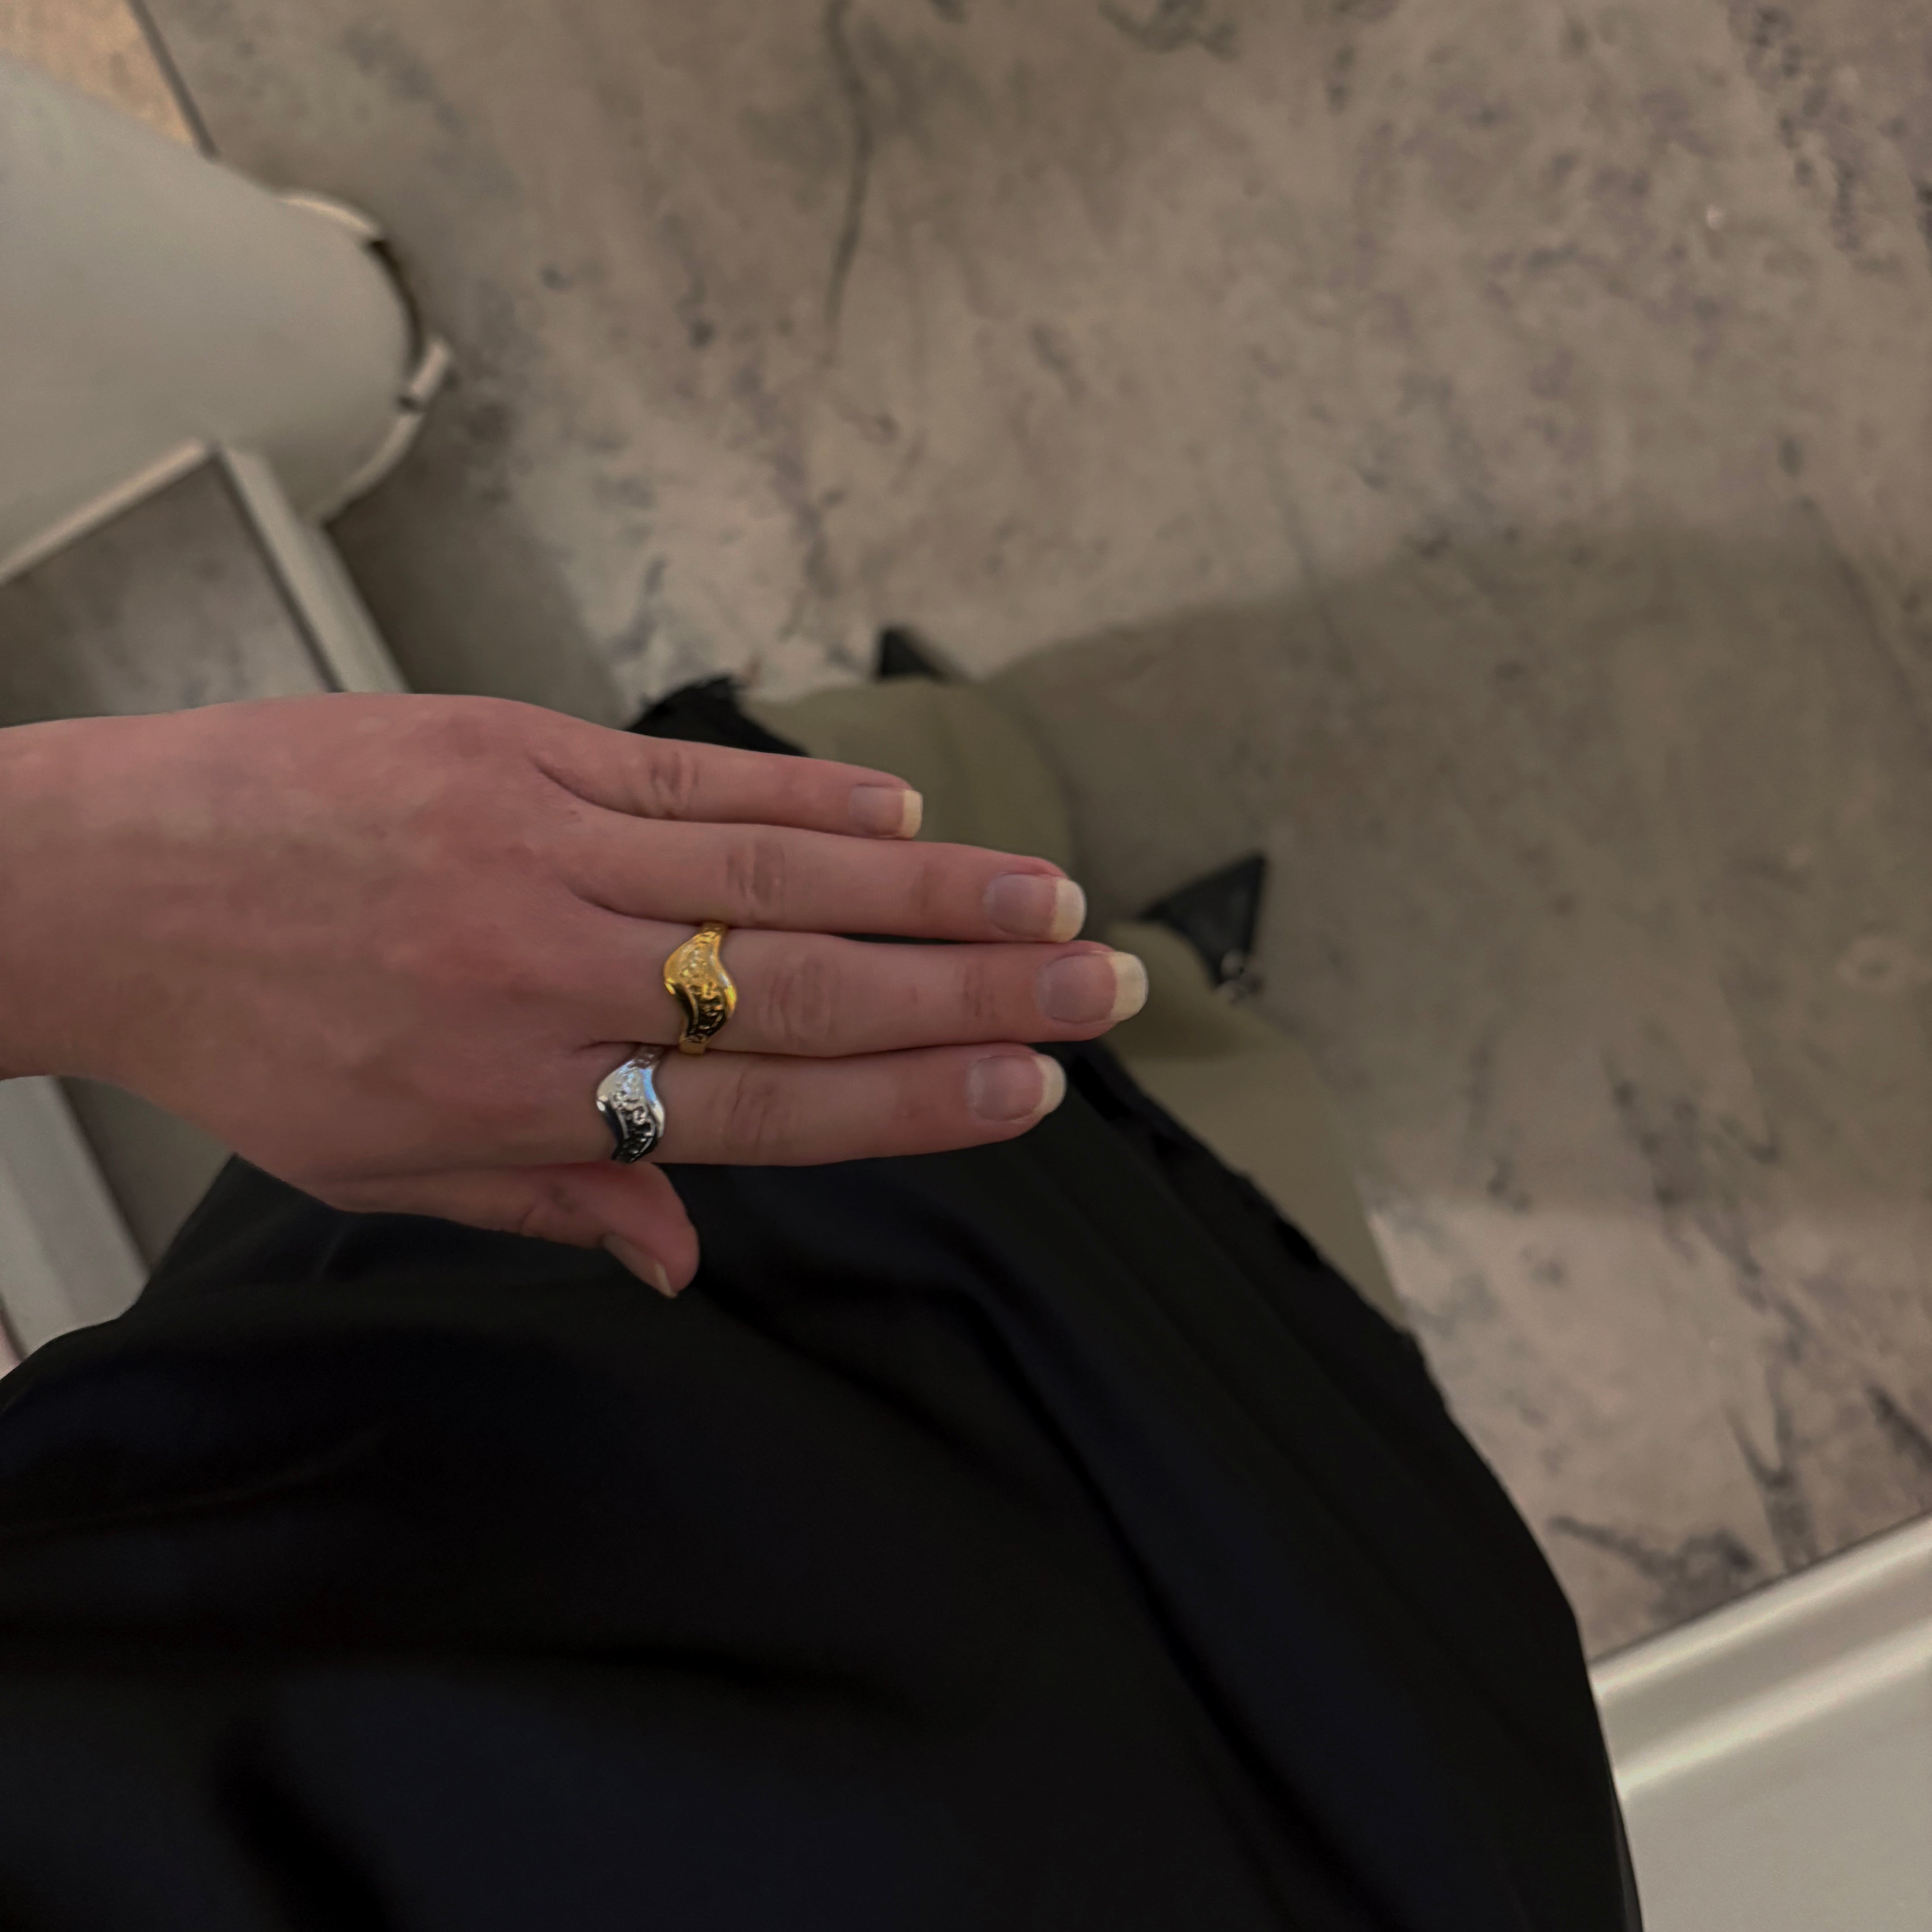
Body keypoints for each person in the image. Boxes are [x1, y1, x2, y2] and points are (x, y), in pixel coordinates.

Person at [0, 686, 1639, 1929]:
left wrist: (90, 889)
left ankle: (1123, 957)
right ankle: (1169, 995)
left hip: (423, 1442)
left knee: (850, 910)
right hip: (1111, 1772)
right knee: (1170, 1180)